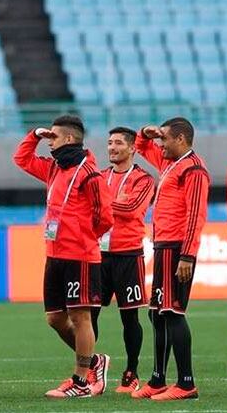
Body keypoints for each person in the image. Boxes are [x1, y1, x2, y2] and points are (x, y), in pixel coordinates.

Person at [12, 114, 113, 398]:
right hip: (54, 254)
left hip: (79, 254)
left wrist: (81, 236)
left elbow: (105, 216)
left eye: (53, 137)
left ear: (69, 138)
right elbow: (21, 159)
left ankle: (81, 381)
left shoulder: (89, 173)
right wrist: (35, 134)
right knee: (55, 319)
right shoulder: (55, 169)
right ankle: (96, 361)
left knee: (81, 318)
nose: (49, 143)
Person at [131, 117, 209, 401]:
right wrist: (144, 132)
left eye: (164, 138)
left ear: (181, 139)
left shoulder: (194, 169)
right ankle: (158, 379)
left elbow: (195, 215)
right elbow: (141, 146)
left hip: (177, 249)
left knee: (172, 312)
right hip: (163, 246)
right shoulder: (170, 163)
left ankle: (186, 383)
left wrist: (187, 255)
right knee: (157, 314)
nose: (159, 144)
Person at [91, 126, 155, 393]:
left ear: (132, 148)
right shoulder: (100, 176)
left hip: (128, 255)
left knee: (129, 318)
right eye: (109, 143)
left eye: (118, 143)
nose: (112, 147)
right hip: (97, 254)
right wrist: (112, 200)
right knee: (88, 314)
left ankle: (131, 371)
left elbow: (132, 208)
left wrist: (101, 202)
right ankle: (91, 369)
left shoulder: (144, 179)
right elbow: (89, 204)